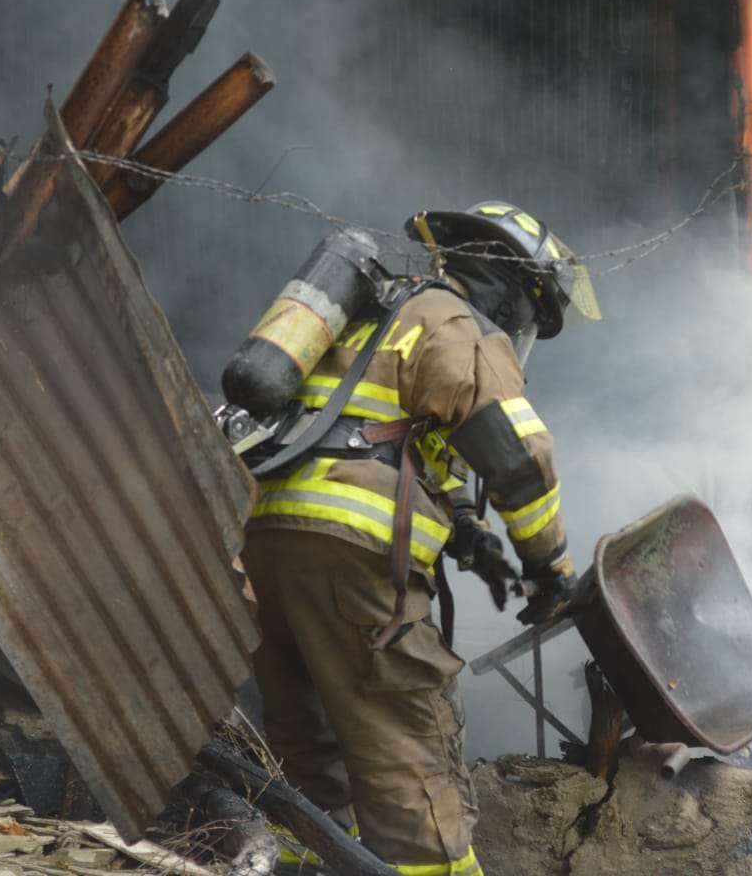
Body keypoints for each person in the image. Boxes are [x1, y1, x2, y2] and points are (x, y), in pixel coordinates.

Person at [241, 201, 599, 875]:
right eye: (532, 310)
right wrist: (550, 568)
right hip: (354, 556)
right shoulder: (453, 323)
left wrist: (470, 534)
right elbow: (521, 458)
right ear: (515, 287)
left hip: (269, 539)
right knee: (410, 744)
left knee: (309, 747)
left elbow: (375, 436)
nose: (521, 329)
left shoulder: (372, 315)